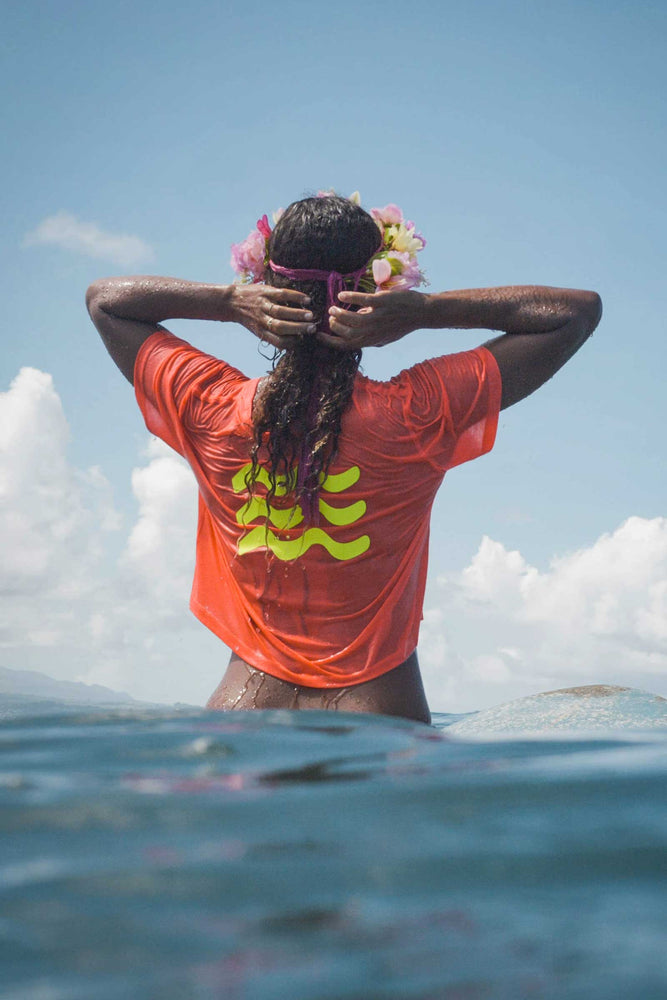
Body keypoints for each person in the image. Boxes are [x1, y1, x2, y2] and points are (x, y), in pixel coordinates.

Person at [86, 195, 601, 724]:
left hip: (245, 713)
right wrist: (428, 312)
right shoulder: (417, 414)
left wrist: (227, 302)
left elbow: (106, 300)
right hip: (378, 716)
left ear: (268, 287)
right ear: (376, 297)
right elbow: (575, 313)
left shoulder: (211, 408)